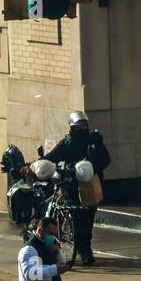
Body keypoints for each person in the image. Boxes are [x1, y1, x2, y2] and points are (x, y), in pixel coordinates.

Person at [43, 111, 110, 266]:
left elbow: (106, 160)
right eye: (78, 127)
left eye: (84, 126)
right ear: (72, 128)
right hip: (71, 185)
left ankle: (85, 249)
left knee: (88, 218)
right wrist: (40, 163)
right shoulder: (67, 143)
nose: (81, 129)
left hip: (90, 185)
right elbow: (52, 156)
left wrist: (92, 167)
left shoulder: (93, 142)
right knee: (77, 217)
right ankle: (78, 246)